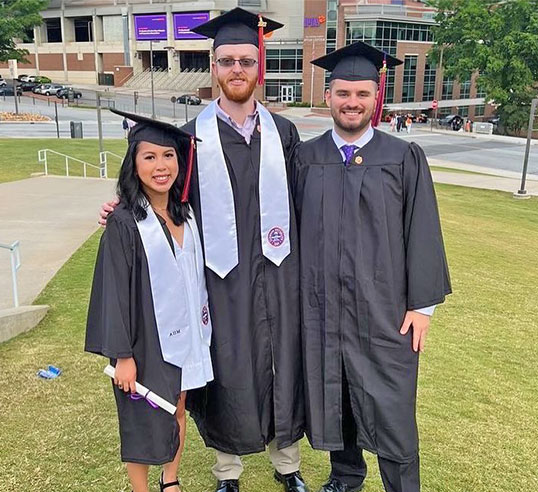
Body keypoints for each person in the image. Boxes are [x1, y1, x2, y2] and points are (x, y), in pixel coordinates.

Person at [99, 8, 307, 492]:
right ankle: (227, 472)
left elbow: (304, 204)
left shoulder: (285, 134)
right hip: (219, 278)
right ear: (214, 67)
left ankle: (288, 464)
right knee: (228, 368)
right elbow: (166, 195)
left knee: (284, 364)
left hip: (279, 274)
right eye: (227, 60)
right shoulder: (191, 138)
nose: (237, 70)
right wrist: (124, 208)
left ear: (259, 69)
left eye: (246, 61)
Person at [293, 41, 451, 492]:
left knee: (392, 408)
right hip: (323, 309)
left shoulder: (402, 157)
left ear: (376, 97)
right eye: (343, 93)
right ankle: (345, 475)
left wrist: (423, 307)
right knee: (337, 393)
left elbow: (423, 230)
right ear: (328, 96)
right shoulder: (305, 158)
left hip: (384, 312)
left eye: (362, 94)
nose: (352, 103)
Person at [86, 109, 213, 492]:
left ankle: (169, 481)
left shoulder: (186, 213)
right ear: (134, 164)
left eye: (169, 155)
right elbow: (113, 291)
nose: (161, 166)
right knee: (143, 415)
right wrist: (123, 355)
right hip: (144, 340)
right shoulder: (124, 222)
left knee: (177, 407)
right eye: (150, 157)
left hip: (186, 333)